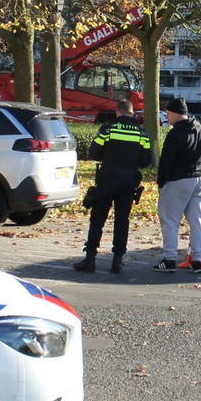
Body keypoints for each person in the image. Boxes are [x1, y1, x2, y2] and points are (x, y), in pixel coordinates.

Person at [74, 98, 151, 274]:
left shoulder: (107, 129)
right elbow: (146, 160)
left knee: (97, 220)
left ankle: (90, 259)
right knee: (122, 221)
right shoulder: (141, 133)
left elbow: (94, 153)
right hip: (128, 182)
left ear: (117, 112)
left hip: (107, 181)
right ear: (132, 113)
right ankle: (117, 261)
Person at [154, 97, 201, 273]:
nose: (167, 117)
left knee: (170, 219)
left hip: (179, 179)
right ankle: (196, 259)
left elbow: (167, 161)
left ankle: (169, 259)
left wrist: (162, 182)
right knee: (197, 221)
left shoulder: (175, 133)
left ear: (173, 113)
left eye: (167, 114)